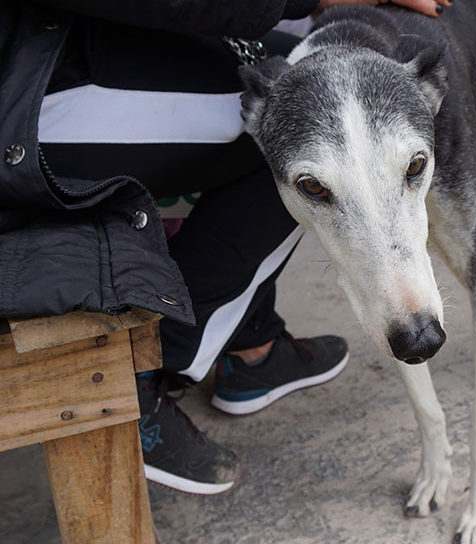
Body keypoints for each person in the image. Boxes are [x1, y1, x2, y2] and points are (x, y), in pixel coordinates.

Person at [0, 0, 451, 495]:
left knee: (308, 84)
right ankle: (148, 372)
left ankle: (251, 345)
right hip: (23, 79)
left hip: (71, 29)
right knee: (294, 127)